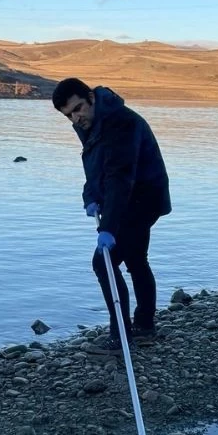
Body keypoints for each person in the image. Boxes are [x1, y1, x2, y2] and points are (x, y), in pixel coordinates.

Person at [52, 77, 171, 350]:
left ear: (91, 97)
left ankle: (121, 335)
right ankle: (144, 326)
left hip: (140, 199)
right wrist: (90, 195)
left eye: (79, 108)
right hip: (131, 198)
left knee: (103, 263)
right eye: (68, 115)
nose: (76, 117)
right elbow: (96, 166)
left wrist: (108, 227)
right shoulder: (93, 122)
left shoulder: (121, 123)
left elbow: (120, 177)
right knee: (137, 260)